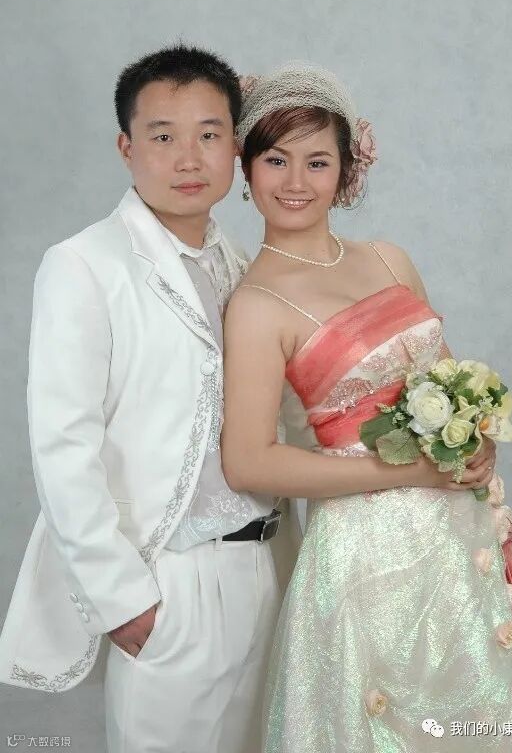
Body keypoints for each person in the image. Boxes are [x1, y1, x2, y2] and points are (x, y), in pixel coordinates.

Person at [0, 45, 302, 753]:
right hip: (168, 580)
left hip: (264, 565)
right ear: (126, 147)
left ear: (235, 147)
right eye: (163, 136)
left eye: (209, 134)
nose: (188, 159)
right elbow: (63, 444)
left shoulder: (243, 266)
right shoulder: (85, 264)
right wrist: (124, 598)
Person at [221, 63, 512, 752]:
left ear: (347, 169)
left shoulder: (390, 259)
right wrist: (407, 472)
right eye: (275, 159)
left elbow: (451, 382)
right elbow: (248, 462)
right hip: (366, 557)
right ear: (246, 167)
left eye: (317, 161)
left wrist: (478, 442)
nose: (295, 181)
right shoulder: (256, 304)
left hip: (460, 535)